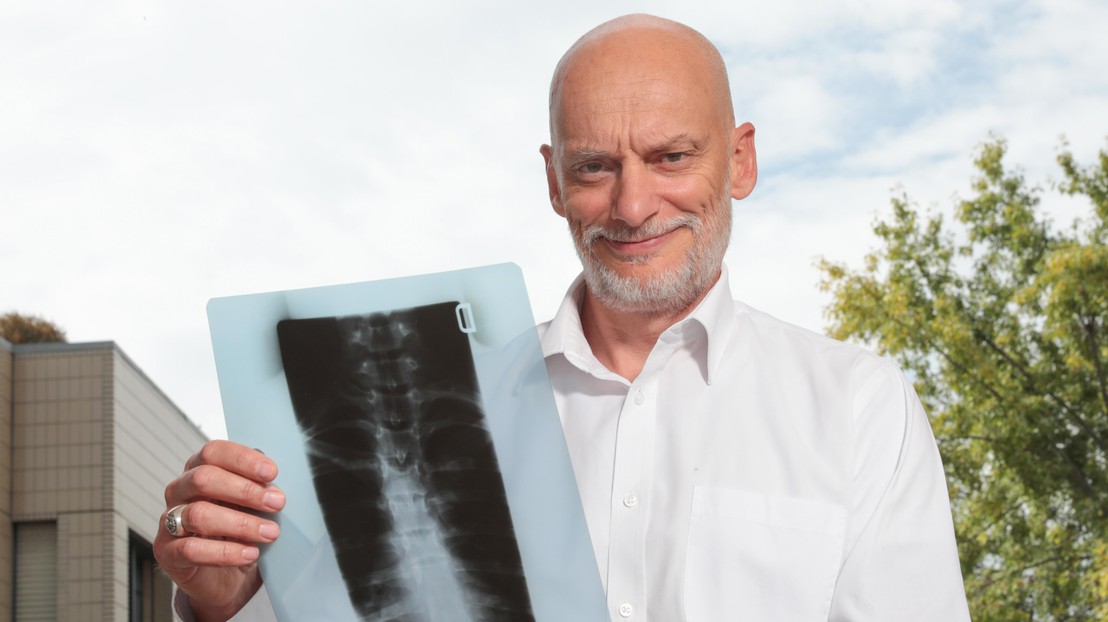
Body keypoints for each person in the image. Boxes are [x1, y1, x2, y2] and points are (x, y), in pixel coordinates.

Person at [155, 14, 971, 621]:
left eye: (671, 157)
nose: (633, 204)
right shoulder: (431, 415)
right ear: (553, 182)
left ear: (742, 159)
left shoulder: (857, 408)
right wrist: (222, 603)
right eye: (594, 167)